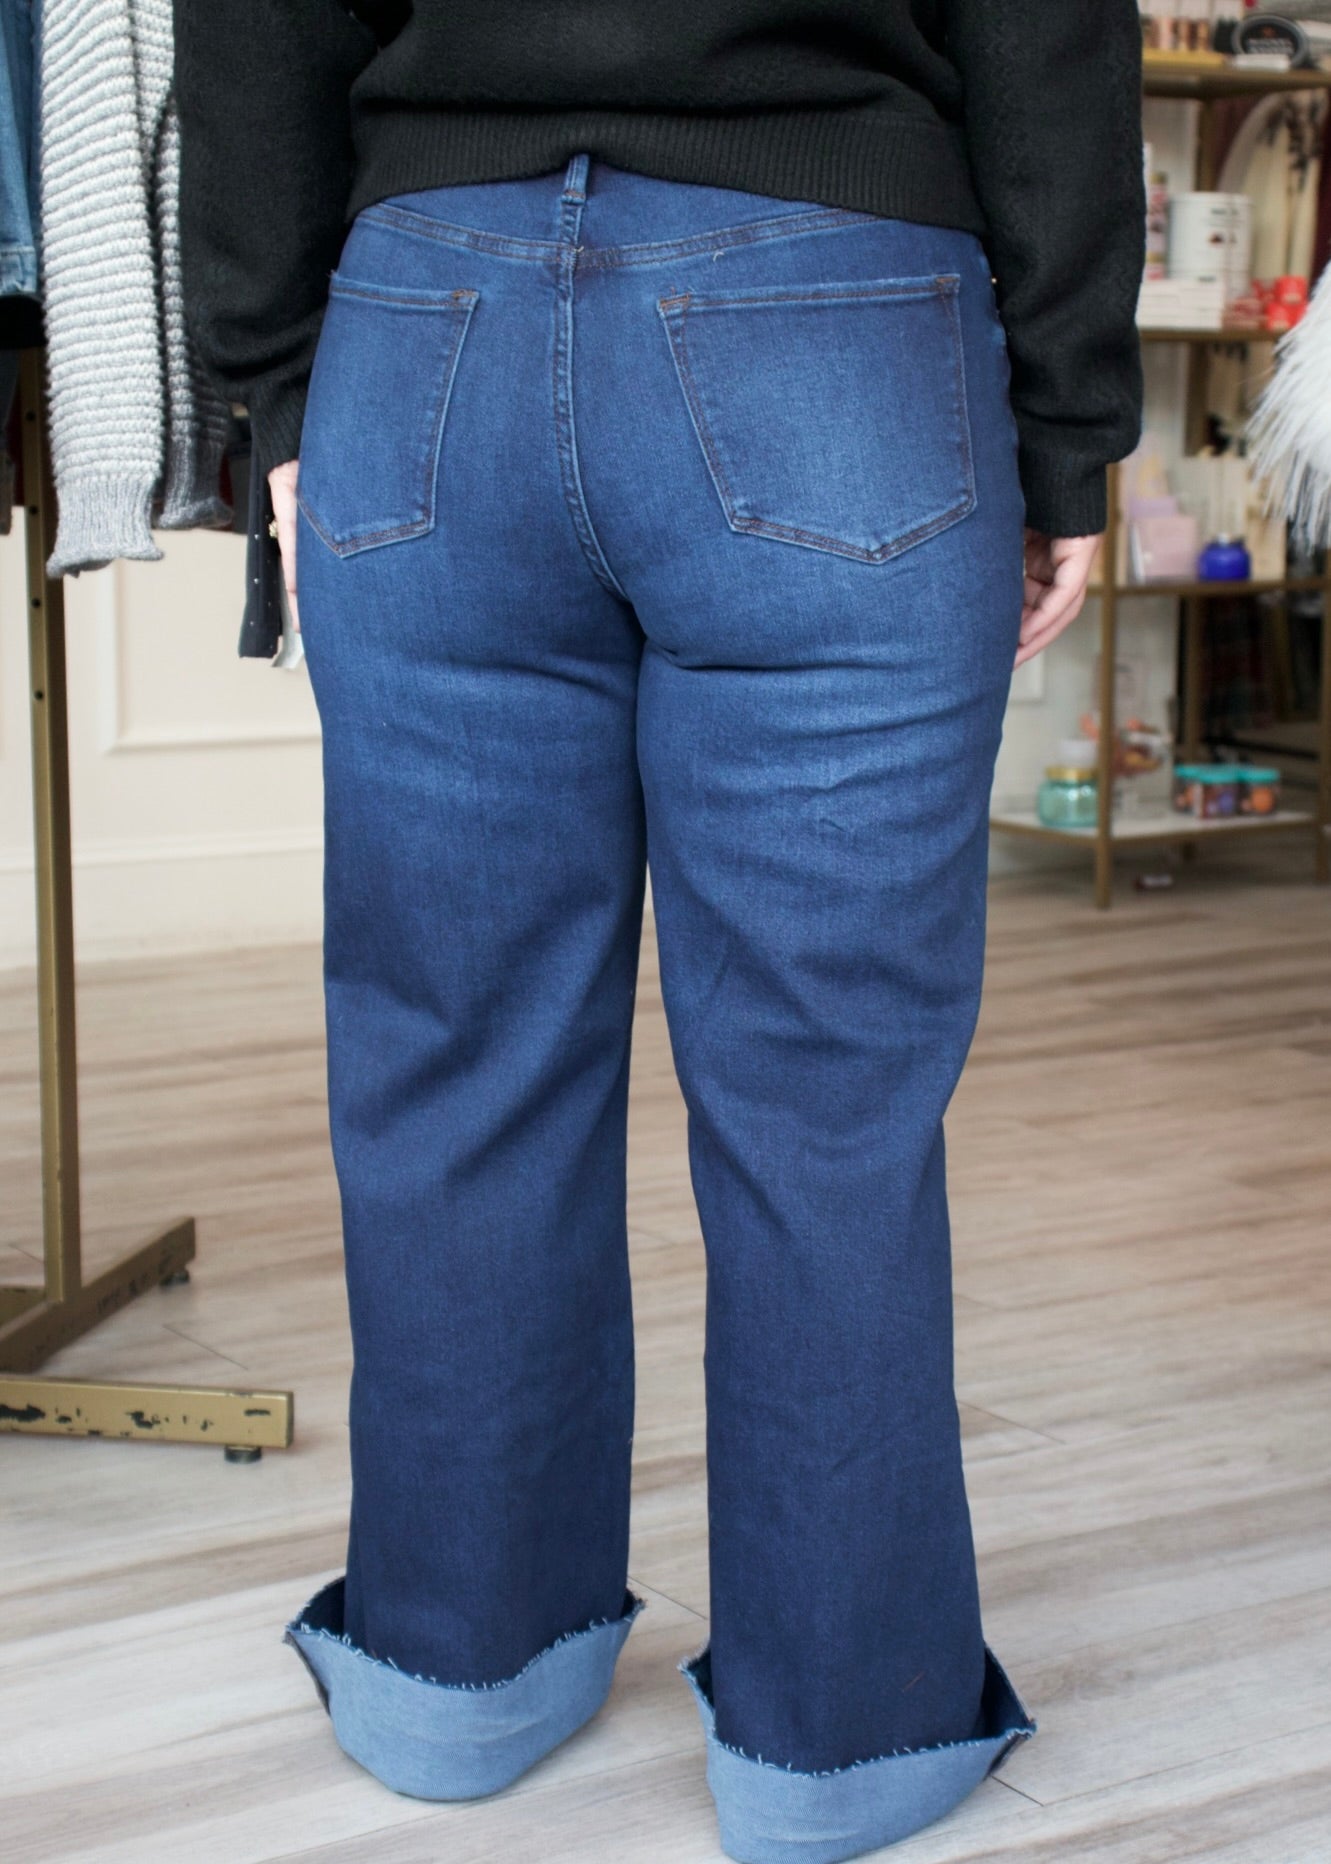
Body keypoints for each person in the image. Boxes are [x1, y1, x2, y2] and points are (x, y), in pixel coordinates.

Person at [173, 6, 1144, 1859]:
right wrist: (1071, 429)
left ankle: (452, 1683)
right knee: (826, 1101)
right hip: (838, 320)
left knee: (455, 1055)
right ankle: (839, 1751)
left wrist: (278, 384)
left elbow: (255, 21)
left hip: (428, 316)